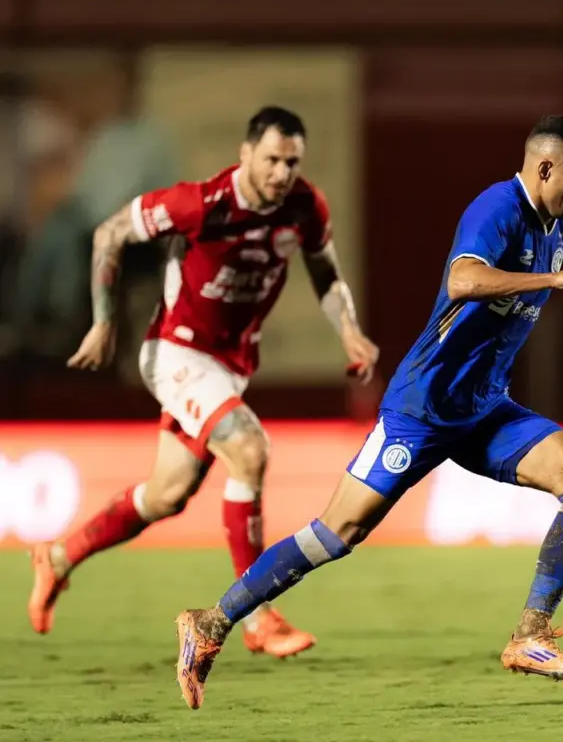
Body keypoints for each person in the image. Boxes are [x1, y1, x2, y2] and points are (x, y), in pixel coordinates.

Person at [172, 114, 563, 709]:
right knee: (336, 533)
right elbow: (463, 280)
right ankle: (211, 623)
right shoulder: (495, 208)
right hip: (422, 408)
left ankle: (530, 636)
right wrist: (551, 279)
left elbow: (561, 255)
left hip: (484, 410)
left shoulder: (561, 220)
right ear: (547, 166)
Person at [28, 106, 380, 659]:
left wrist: (351, 334)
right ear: (245, 155)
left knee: (166, 496)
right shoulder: (199, 204)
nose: (282, 172)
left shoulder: (304, 206)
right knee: (248, 449)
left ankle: (59, 557)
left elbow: (325, 270)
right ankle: (257, 616)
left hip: (230, 367)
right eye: (272, 159)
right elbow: (110, 233)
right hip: (176, 352)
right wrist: (102, 321)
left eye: (292, 162)